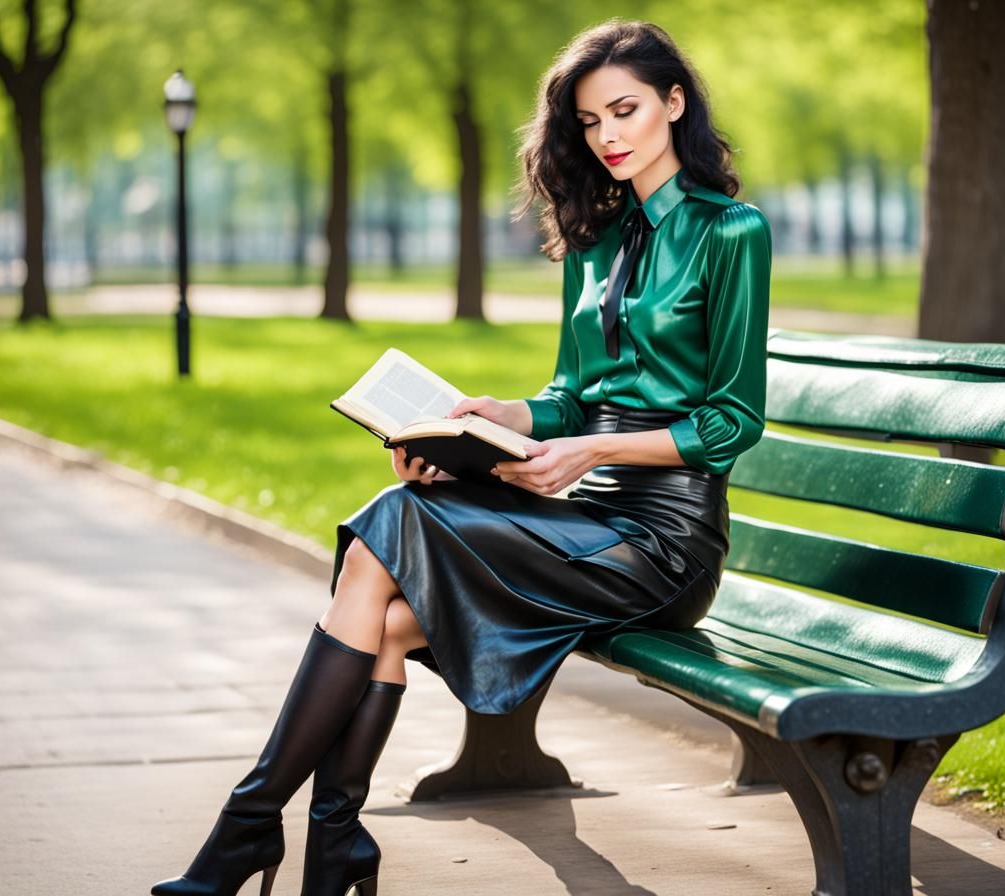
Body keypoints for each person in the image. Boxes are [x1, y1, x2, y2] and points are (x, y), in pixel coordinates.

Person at [151, 19, 770, 896]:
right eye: (590, 121)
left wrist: (586, 449)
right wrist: (494, 418)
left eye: (625, 110)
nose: (608, 136)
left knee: (390, 531)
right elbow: (571, 394)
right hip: (583, 517)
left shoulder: (731, 232)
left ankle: (249, 834)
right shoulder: (594, 238)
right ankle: (329, 840)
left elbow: (733, 422)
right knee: (385, 607)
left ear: (674, 103)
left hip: (663, 545)